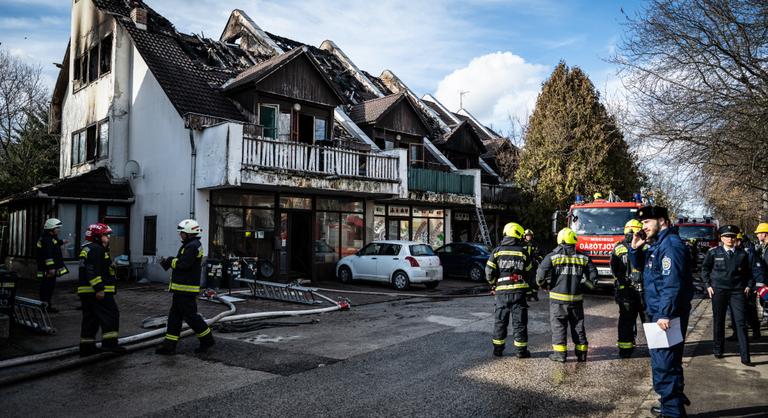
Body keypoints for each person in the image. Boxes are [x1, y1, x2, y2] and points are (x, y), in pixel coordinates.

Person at [628, 206, 694, 418]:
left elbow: (672, 283)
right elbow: (644, 268)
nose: (643, 227)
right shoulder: (658, 244)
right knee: (669, 362)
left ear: (662, 221)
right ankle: (672, 405)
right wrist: (635, 248)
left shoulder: (670, 245)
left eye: (647, 222)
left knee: (664, 364)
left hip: (666, 314)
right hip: (660, 311)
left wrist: (665, 313)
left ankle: (672, 412)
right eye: (642, 223)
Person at [537, 227, 597, 362]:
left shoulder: (552, 256)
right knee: (578, 326)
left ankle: (560, 355)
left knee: (558, 326)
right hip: (576, 300)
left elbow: (540, 276)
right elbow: (593, 276)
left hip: (558, 301)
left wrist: (545, 286)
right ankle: (582, 354)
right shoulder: (583, 257)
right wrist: (584, 285)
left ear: (560, 239)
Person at [156, 219, 215, 355]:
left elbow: (184, 264)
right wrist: (172, 260)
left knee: (191, 317)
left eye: (182, 232)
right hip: (181, 289)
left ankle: (207, 339)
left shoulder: (192, 246)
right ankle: (169, 345)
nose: (180, 235)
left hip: (185, 289)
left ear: (188, 233)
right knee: (174, 317)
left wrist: (169, 260)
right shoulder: (191, 245)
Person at [702, 225, 754, 366]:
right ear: (721, 238)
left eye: (732, 236)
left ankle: (745, 356)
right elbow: (705, 269)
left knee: (741, 323)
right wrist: (707, 285)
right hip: (719, 291)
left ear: (735, 238)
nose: (730, 239)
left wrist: (749, 285)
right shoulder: (713, 253)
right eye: (726, 236)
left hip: (737, 291)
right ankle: (718, 349)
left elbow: (749, 272)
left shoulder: (743, 254)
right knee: (719, 320)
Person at [485, 222, 531, 358]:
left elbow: (489, 272)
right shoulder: (523, 252)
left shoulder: (497, 251)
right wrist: (529, 289)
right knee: (520, 323)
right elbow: (529, 273)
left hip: (502, 293)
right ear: (517, 235)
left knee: (500, 322)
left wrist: (493, 285)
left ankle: (498, 350)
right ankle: (521, 352)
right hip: (519, 293)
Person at [78, 223, 124, 356]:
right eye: (105, 235)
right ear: (97, 237)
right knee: (111, 315)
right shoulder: (96, 249)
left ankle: (87, 347)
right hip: (98, 292)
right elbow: (91, 270)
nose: (108, 237)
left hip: (87, 292)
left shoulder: (88, 248)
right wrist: (99, 288)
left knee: (90, 319)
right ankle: (110, 344)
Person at [610, 219, 646, 358]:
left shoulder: (618, 247)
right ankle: (656, 350)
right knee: (649, 320)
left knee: (626, 320)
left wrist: (620, 281)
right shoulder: (646, 246)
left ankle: (625, 350)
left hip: (625, 291)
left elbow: (614, 269)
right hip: (644, 291)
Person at [35, 218, 69, 312]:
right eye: (57, 228)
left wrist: (62, 242)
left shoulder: (49, 237)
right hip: (48, 270)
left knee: (48, 287)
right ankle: (45, 307)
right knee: (47, 288)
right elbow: (48, 255)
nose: (59, 230)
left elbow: (55, 243)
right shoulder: (47, 239)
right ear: (51, 228)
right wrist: (51, 268)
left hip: (47, 269)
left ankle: (46, 305)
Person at [523, 229, 544, 302]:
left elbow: (540, 254)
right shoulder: (521, 244)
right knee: (526, 280)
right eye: (527, 235)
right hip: (525, 266)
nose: (529, 237)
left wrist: (538, 259)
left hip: (533, 265)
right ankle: (528, 295)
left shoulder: (535, 244)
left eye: (530, 235)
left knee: (534, 281)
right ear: (524, 236)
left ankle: (534, 294)